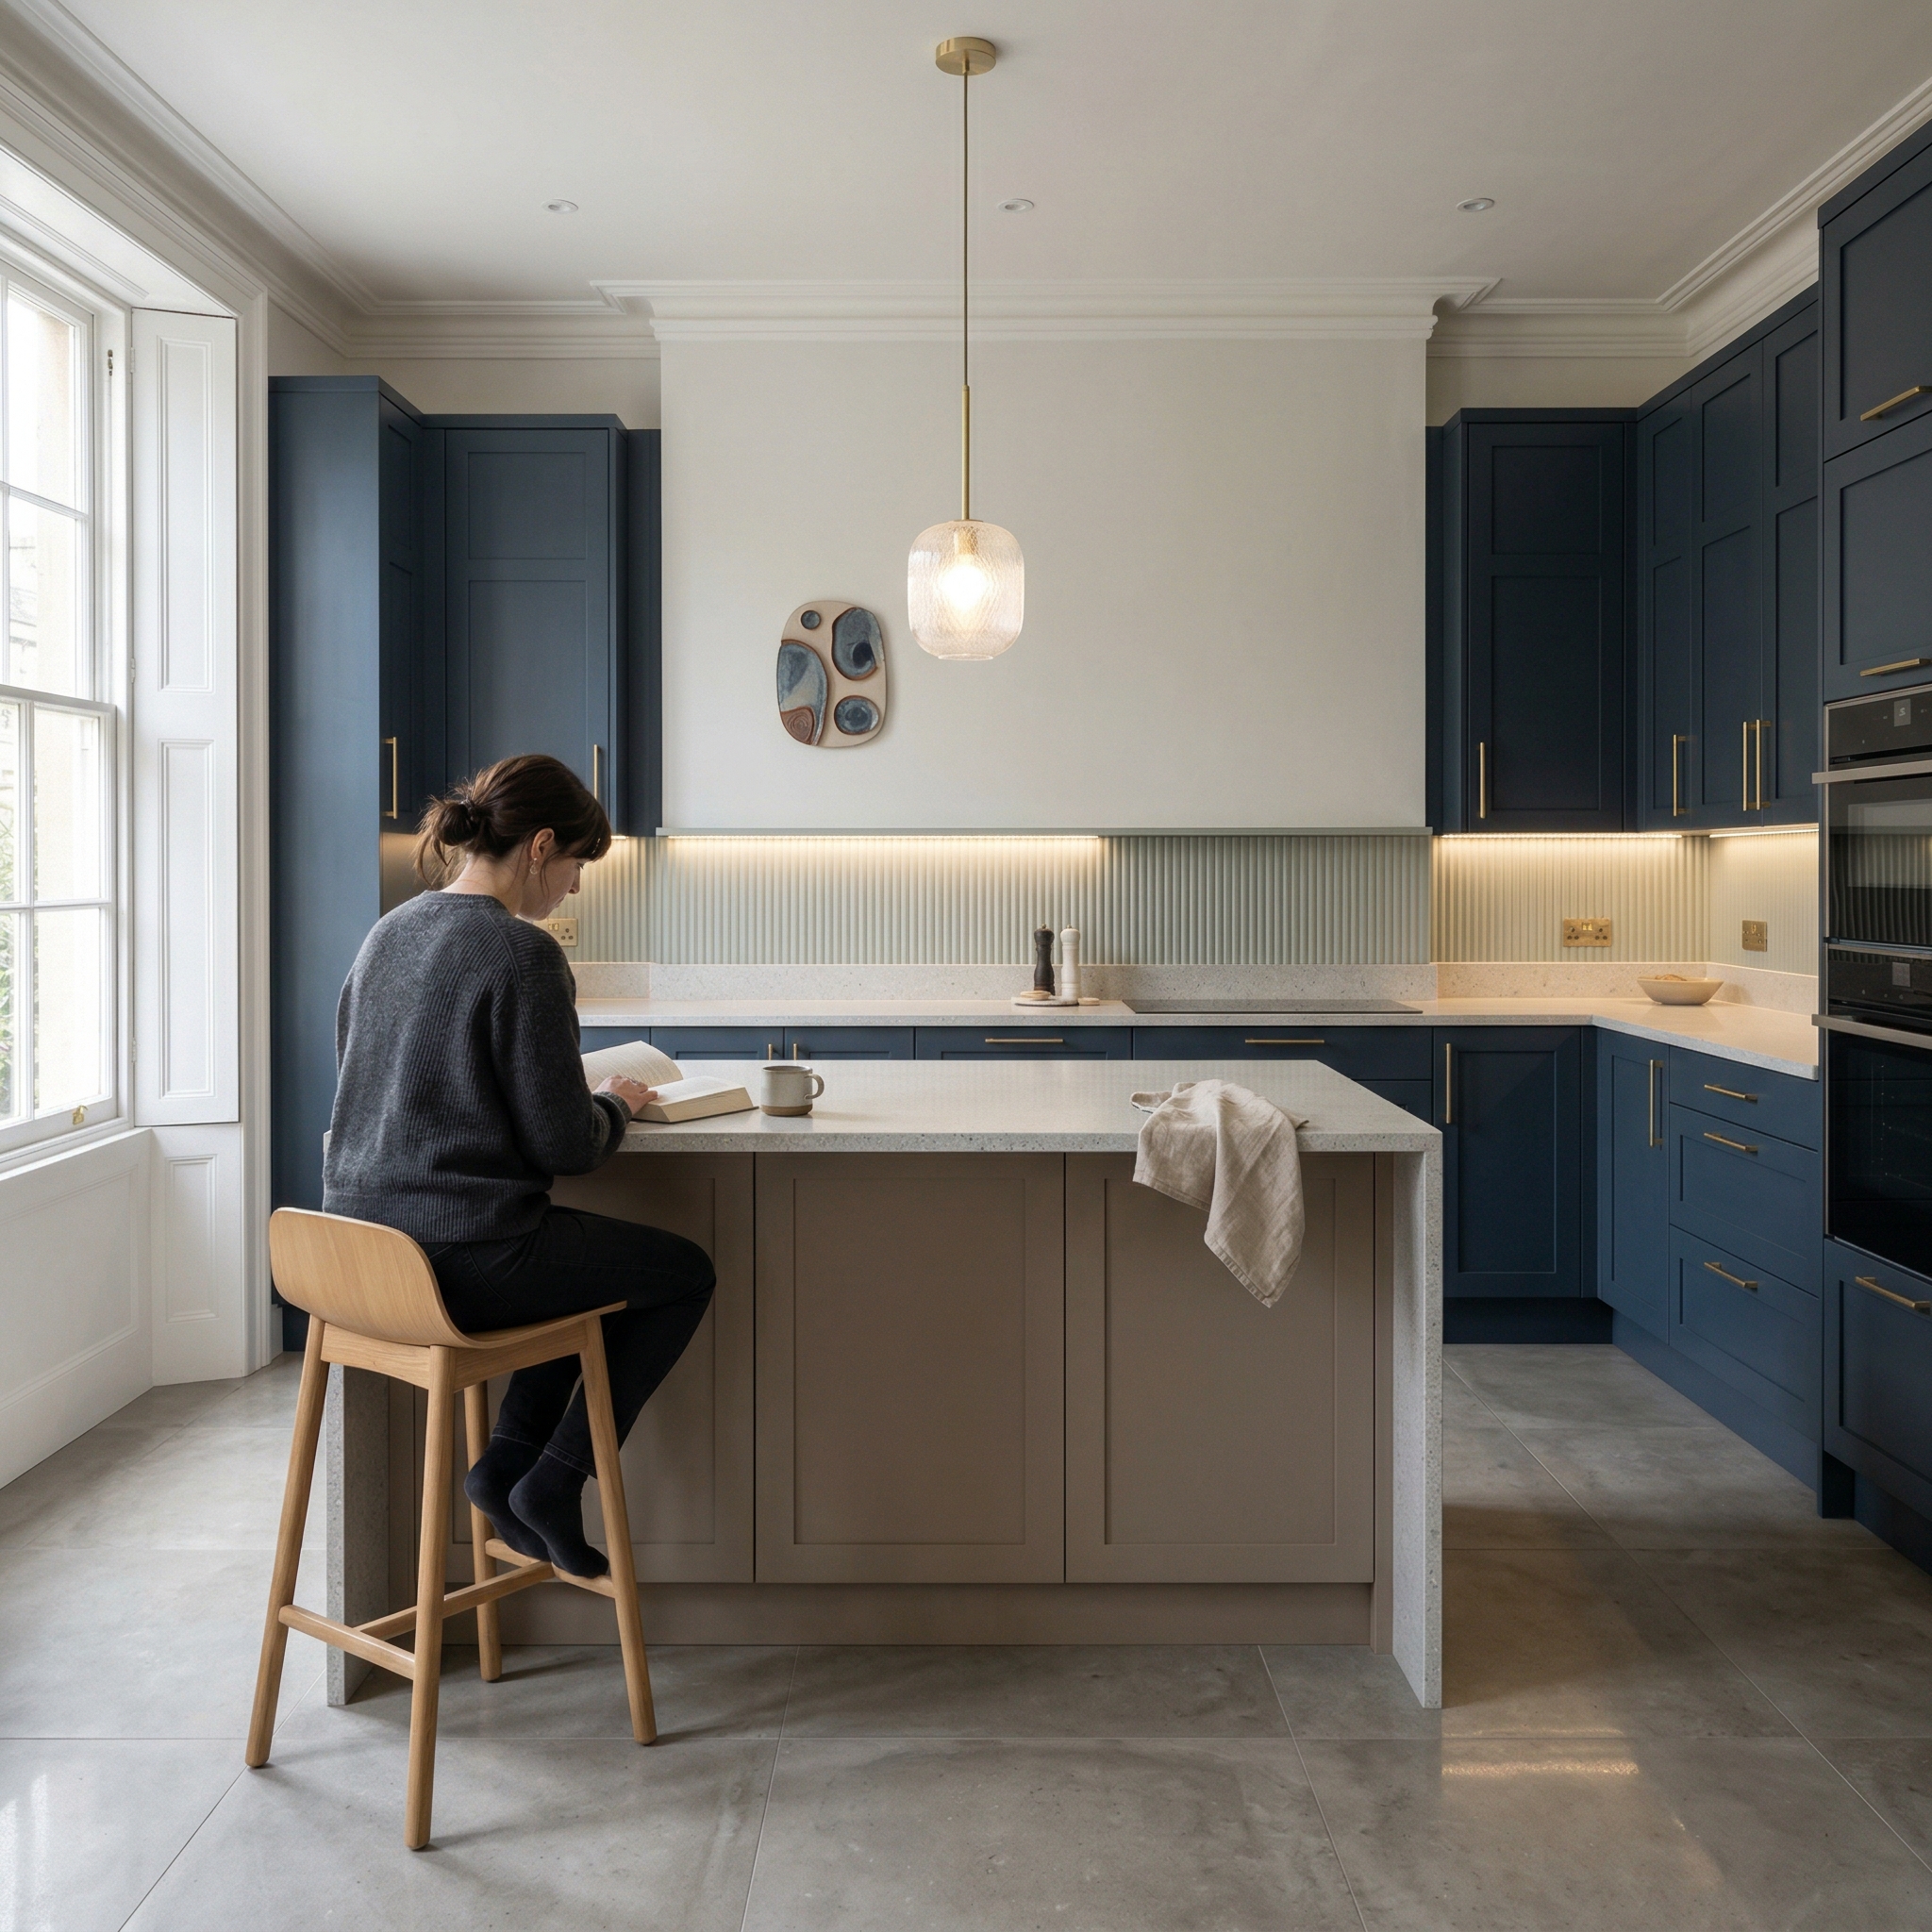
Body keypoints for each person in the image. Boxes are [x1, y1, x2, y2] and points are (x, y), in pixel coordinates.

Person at [321, 753, 715, 1578]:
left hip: (355, 1260)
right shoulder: (521, 954)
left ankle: (506, 1469)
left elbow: (393, 1087)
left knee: (576, 1269)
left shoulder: (389, 930)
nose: (573, 889)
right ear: (541, 846)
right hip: (462, 1261)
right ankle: (553, 1481)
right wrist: (614, 1103)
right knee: (679, 1272)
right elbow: (566, 1148)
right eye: (575, 865)